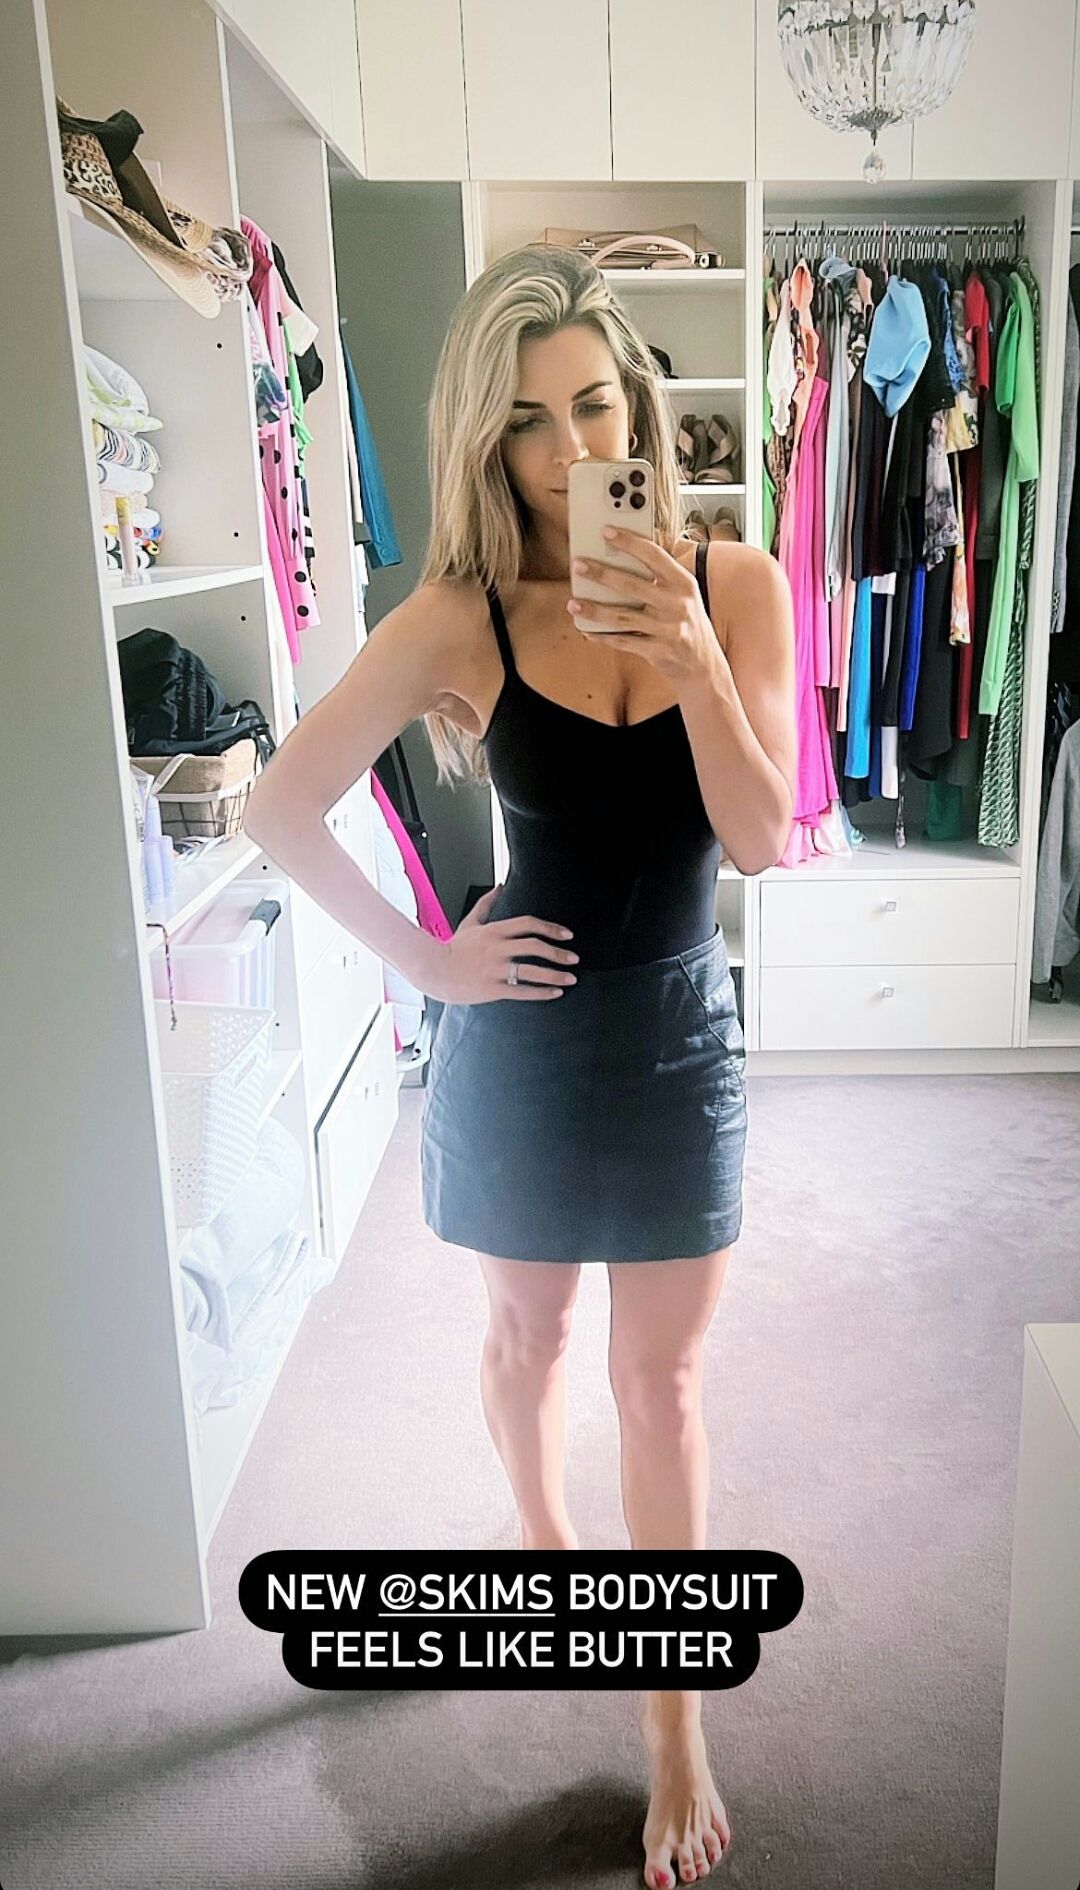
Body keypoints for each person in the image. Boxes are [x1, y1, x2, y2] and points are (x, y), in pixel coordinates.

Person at [243, 245, 797, 1889]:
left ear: (642, 409)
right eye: (531, 423)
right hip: (525, 1044)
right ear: (488, 442)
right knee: (528, 1333)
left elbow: (761, 838)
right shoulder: (461, 615)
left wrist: (694, 657)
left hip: (681, 1033)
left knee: (664, 1385)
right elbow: (280, 805)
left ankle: (675, 1729)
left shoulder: (739, 583)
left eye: (596, 407)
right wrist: (427, 961)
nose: (570, 452)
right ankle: (551, 1552)